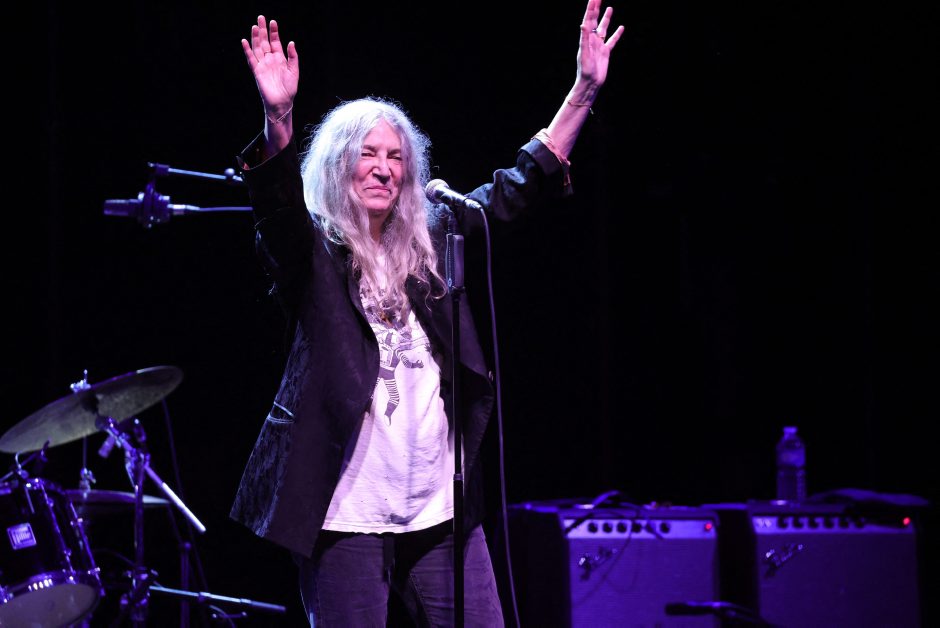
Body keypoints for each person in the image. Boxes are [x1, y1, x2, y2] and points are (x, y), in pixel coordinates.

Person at [229, 1, 623, 625]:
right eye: (367, 154)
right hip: (347, 516)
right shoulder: (315, 253)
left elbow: (517, 187)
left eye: (395, 156)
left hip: (441, 511)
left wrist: (582, 92)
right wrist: (279, 119)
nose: (383, 168)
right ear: (338, 165)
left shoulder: (435, 239)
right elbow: (276, 209)